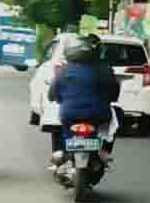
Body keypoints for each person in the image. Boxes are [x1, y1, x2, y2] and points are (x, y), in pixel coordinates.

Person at [47, 34, 120, 169]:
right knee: (118, 114)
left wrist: (59, 99)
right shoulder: (104, 69)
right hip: (98, 114)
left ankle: (60, 151)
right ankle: (105, 151)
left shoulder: (64, 70)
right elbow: (114, 91)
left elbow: (52, 94)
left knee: (56, 123)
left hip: (69, 114)